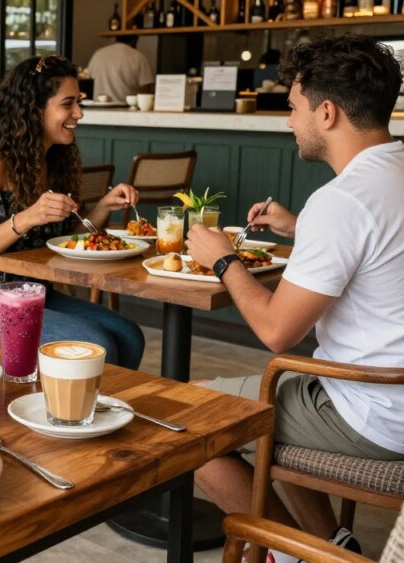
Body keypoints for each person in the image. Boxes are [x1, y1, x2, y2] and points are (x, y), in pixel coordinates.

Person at [186, 34, 404, 557]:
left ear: (326, 112)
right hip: (386, 391)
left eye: (293, 107)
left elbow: (276, 330)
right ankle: (331, 540)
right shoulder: (390, 173)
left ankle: (296, 553)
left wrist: (222, 259)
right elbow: (378, 249)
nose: (289, 121)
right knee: (288, 383)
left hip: (373, 409)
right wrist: (300, 227)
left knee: (188, 420)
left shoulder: (343, 200)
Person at [0, 54, 145, 370]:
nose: (78, 113)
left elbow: (65, 241)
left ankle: (102, 411)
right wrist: (27, 217)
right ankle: (70, 413)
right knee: (98, 344)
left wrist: (104, 205)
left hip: (34, 293)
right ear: (34, 110)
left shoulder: (54, 160)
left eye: (79, 102)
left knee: (129, 334)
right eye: (68, 104)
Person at [86, 35, 155, 103]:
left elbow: (86, 81)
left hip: (96, 109)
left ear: (116, 38)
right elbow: (146, 92)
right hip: (126, 110)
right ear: (134, 40)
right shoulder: (138, 57)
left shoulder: (98, 54)